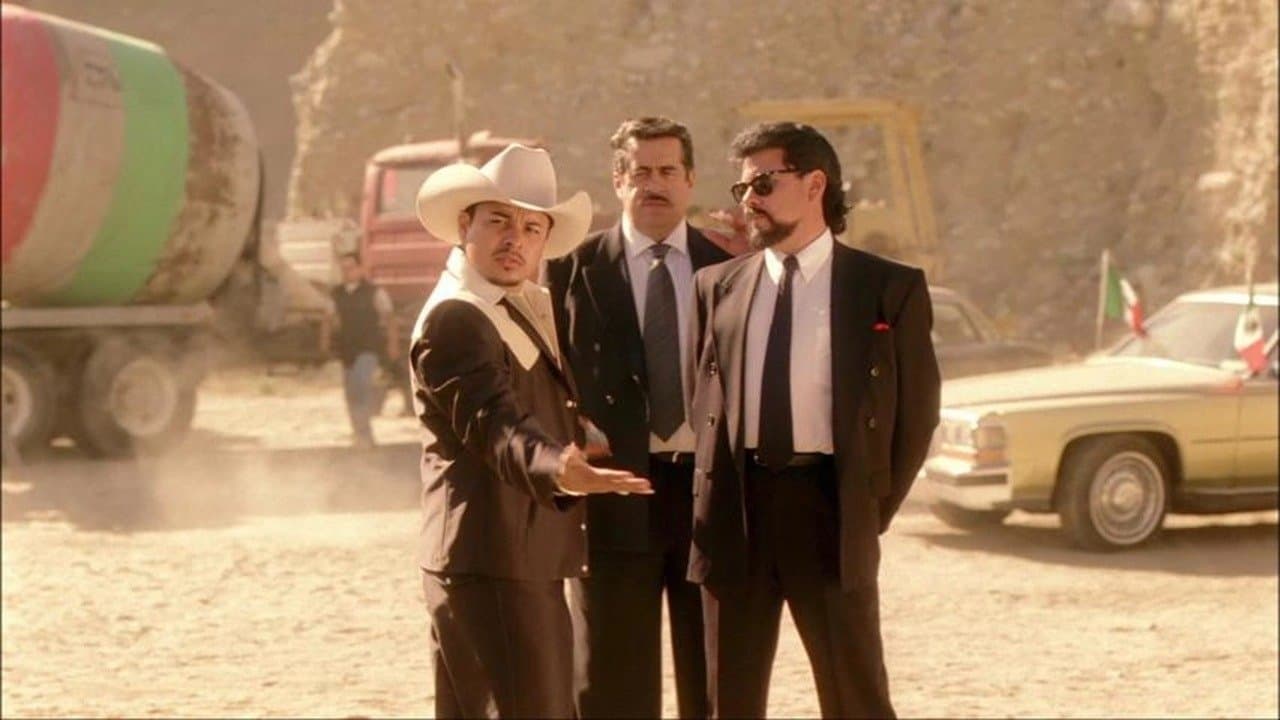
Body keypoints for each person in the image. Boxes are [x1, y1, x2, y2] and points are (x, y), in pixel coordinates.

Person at [686, 122, 941, 718]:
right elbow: (703, 402)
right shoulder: (715, 287)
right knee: (729, 701)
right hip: (737, 514)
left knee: (856, 697)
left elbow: (917, 415)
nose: (748, 201)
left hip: (830, 509)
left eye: (763, 185)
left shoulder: (887, 287)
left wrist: (869, 505)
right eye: (742, 188)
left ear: (815, 184)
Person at [409, 143, 653, 719]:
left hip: (513, 554)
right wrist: (556, 467)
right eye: (499, 221)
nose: (514, 239)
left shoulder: (506, 304)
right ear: (465, 225)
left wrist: (578, 432)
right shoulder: (457, 315)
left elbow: (522, 402)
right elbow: (494, 423)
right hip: (494, 556)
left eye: (531, 227)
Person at [547, 117, 731, 718]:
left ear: (691, 179)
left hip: (706, 497)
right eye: (641, 172)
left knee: (715, 680)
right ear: (618, 180)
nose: (655, 184)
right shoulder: (570, 272)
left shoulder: (729, 270)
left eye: (668, 171)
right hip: (612, 494)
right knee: (611, 682)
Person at [321, 251, 398, 448]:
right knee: (351, 394)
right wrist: (324, 342)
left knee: (361, 387)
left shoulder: (374, 292)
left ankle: (365, 434)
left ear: (360, 269)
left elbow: (389, 318)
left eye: (351, 268)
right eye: (344, 269)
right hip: (347, 350)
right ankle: (360, 433)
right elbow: (327, 319)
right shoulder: (337, 294)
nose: (347, 272)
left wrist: (393, 344)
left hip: (368, 348)